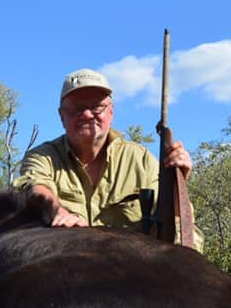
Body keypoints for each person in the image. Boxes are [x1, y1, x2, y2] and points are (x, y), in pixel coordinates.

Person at [13, 68, 201, 248]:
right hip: (65, 267)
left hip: (133, 268)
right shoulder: (42, 156)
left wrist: (177, 182)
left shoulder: (140, 159)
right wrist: (60, 214)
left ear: (111, 112)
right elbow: (36, 189)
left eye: (96, 107)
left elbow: (179, 226)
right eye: (76, 109)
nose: (87, 114)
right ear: (62, 116)